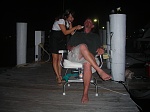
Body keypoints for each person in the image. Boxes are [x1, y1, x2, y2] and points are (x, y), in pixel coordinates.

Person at [67, 18, 112, 103]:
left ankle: (85, 94)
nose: (87, 22)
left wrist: (101, 49)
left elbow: (100, 47)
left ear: (92, 26)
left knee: (87, 63)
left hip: (90, 58)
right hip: (76, 55)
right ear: (84, 24)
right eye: (86, 21)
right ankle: (100, 71)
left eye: (90, 22)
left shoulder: (95, 36)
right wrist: (71, 48)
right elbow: (68, 46)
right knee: (83, 46)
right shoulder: (77, 34)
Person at [50, 9, 83, 86]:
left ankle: (60, 75)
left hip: (61, 40)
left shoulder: (68, 22)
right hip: (54, 39)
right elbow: (65, 32)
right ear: (66, 16)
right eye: (71, 17)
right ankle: (58, 77)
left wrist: (76, 28)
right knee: (55, 59)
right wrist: (75, 27)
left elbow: (71, 33)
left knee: (60, 59)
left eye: (73, 17)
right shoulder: (61, 20)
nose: (72, 19)